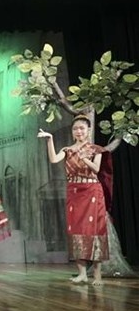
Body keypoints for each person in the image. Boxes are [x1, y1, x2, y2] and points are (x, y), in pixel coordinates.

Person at [37, 114, 109, 285]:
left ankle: (97, 275)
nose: (78, 131)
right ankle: (82, 273)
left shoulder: (95, 149)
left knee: (94, 230)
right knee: (75, 229)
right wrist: (50, 139)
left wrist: (84, 157)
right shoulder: (67, 150)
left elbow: (97, 169)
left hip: (92, 191)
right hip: (74, 192)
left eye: (82, 128)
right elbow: (54, 159)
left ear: (88, 130)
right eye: (75, 128)